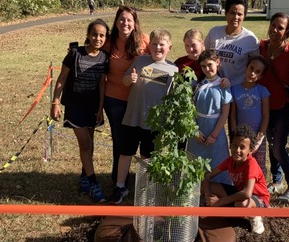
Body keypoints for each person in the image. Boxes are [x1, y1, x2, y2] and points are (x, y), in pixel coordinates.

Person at [111, 29, 178, 204]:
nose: (157, 47)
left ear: (169, 47)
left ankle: (148, 190)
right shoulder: (140, 61)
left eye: (162, 44)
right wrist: (130, 79)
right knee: (125, 152)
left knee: (148, 157)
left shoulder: (173, 70)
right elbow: (126, 81)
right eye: (154, 44)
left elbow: (174, 98)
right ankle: (120, 187)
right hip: (133, 117)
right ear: (149, 46)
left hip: (154, 123)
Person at [50, 19, 109, 203]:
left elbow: (102, 84)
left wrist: (100, 108)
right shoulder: (75, 53)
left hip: (92, 107)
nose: (97, 38)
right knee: (85, 144)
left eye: (102, 35)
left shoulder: (104, 57)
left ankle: (84, 176)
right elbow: (61, 79)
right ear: (88, 35)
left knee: (89, 143)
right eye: (94, 34)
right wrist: (55, 102)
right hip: (75, 106)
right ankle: (93, 183)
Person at [102, 6, 149, 191]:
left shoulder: (143, 40)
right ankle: (119, 181)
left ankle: (143, 181)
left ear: (135, 23)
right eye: (121, 19)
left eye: (129, 20)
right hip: (115, 99)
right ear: (116, 22)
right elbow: (93, 49)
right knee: (120, 140)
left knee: (142, 140)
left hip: (139, 99)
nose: (125, 23)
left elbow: (158, 55)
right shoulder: (109, 42)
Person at [258, 12, 289, 202]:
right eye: (273, 25)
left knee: (278, 146)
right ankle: (277, 182)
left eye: (280, 27)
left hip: (283, 106)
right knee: (271, 142)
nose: (275, 30)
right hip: (265, 105)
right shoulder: (261, 47)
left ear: (287, 32)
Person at [203, 124, 270, 235]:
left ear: (250, 150)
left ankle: (255, 217)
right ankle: (215, 204)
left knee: (242, 204)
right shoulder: (230, 161)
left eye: (242, 147)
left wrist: (218, 202)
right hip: (239, 193)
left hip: (258, 199)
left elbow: (247, 194)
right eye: (234, 145)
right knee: (207, 187)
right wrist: (207, 197)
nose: (237, 150)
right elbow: (207, 176)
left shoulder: (251, 164)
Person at [187, 50, 233, 185]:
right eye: (203, 66)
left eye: (210, 65)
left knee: (217, 162)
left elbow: (225, 113)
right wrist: (194, 129)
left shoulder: (223, 85)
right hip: (197, 129)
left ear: (217, 62)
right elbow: (190, 109)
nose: (207, 69)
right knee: (195, 162)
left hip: (215, 130)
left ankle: (218, 191)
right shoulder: (197, 85)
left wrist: (214, 135)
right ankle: (197, 190)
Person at [229, 55, 270, 177]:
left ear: (261, 76)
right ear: (246, 67)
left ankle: (258, 191)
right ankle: (243, 188)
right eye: (251, 68)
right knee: (241, 162)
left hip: (257, 135)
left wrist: (260, 137)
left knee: (259, 164)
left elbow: (265, 116)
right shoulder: (235, 90)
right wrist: (235, 135)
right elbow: (232, 116)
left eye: (257, 72)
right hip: (241, 136)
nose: (252, 73)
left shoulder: (262, 91)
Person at [204, 0, 259, 84]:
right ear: (226, 13)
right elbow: (205, 56)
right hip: (214, 86)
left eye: (240, 14)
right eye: (232, 13)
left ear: (244, 16)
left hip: (237, 89)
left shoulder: (250, 39)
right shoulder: (214, 32)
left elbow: (255, 67)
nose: (235, 17)